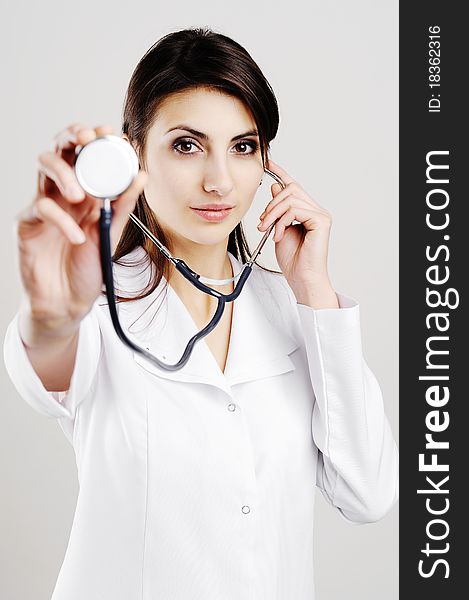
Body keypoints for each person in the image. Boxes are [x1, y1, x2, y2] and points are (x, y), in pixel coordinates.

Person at [3, 27, 398, 600]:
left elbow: (368, 492)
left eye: (243, 147)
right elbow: (43, 367)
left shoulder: (292, 307)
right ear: (135, 152)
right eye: (187, 145)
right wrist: (50, 314)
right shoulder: (91, 300)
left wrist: (315, 289)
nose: (219, 181)